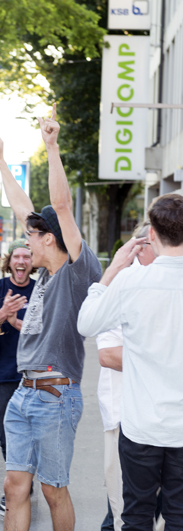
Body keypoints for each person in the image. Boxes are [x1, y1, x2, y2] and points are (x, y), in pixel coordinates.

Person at [0, 105, 102, 531]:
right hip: (23, 395)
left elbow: (61, 205)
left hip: (56, 398)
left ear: (50, 239)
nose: (25, 240)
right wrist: (0, 160)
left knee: (54, 489)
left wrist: (51, 146)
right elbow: (24, 206)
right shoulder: (42, 274)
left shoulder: (75, 271)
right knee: (15, 485)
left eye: (31, 235)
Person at [78, 193, 183, 531]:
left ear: (150, 233)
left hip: (140, 424)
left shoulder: (130, 281)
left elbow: (86, 324)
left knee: (136, 515)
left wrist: (112, 270)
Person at [97, 222, 157, 531]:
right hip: (124, 417)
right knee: (126, 512)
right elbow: (108, 355)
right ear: (142, 247)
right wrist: (164, 357)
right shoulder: (120, 284)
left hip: (167, 419)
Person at [0, 239, 36, 514]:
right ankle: (17, 487)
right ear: (10, 261)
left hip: (35, 375)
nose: (22, 261)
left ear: (31, 262)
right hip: (2, 376)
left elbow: (45, 332)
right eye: (17, 256)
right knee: (7, 436)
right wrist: (5, 314)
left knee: (33, 435)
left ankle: (24, 487)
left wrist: (17, 321)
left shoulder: (41, 291)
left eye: (27, 256)